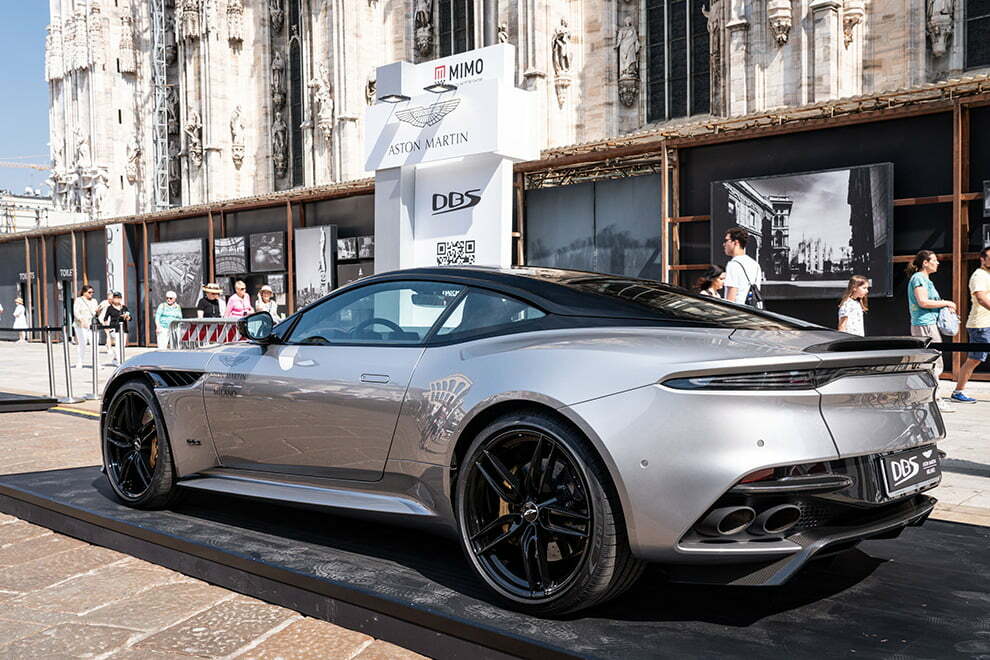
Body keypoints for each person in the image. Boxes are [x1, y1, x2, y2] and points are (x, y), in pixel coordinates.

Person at [906, 250, 958, 411]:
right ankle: (935, 399)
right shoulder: (919, 278)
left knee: (929, 361)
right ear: (925, 263)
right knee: (934, 362)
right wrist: (947, 303)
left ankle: (924, 397)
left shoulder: (925, 279)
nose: (938, 263)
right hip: (925, 324)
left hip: (927, 323)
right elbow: (923, 302)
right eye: (934, 260)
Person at [951, 246, 990, 403]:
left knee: (975, 358)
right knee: (975, 359)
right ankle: (958, 392)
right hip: (981, 324)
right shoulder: (979, 275)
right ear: (982, 259)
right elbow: (980, 298)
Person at [722, 228, 763, 305]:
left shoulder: (733, 264)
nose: (724, 244)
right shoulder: (755, 264)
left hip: (737, 312)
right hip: (753, 311)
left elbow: (731, 299)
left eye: (726, 241)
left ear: (736, 243)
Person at [100, 292, 131, 366]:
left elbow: (130, 318)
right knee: (118, 345)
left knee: (122, 345)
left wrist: (127, 317)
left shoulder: (124, 307)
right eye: (115, 297)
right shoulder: (110, 308)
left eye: (119, 298)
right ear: (113, 299)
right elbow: (105, 319)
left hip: (124, 329)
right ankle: (120, 361)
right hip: (114, 329)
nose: (117, 299)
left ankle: (115, 359)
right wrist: (107, 328)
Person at [73, 285, 99, 369]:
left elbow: (95, 313)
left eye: (92, 292)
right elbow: (76, 312)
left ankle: (96, 363)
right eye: (89, 292)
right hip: (80, 325)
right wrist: (81, 320)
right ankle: (80, 362)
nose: (91, 294)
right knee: (82, 343)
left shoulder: (94, 301)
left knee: (94, 344)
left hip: (92, 325)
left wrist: (97, 311)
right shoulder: (79, 300)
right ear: (84, 292)